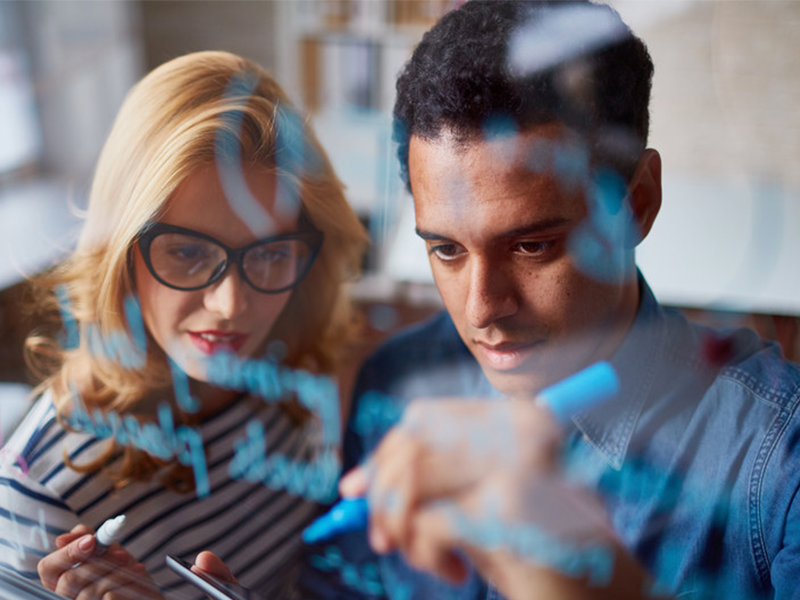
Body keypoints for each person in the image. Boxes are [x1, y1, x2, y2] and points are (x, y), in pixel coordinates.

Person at [195, 1, 800, 598]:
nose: (482, 309)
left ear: (637, 203)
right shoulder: (399, 382)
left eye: (533, 246)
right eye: (447, 251)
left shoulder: (781, 463)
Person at [0, 50, 367, 599]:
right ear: (120, 255)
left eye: (270, 254)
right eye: (189, 253)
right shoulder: (37, 496)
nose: (230, 305)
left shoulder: (289, 377)